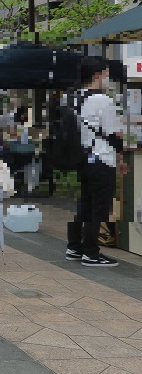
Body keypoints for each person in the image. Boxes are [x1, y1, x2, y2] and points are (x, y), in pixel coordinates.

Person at [67, 57, 125, 267]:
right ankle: (91, 252)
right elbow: (114, 133)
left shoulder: (75, 97)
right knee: (98, 206)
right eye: (107, 73)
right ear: (97, 74)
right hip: (101, 157)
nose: (109, 78)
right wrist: (121, 158)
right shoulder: (103, 100)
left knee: (85, 204)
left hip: (83, 157)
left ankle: (74, 246)